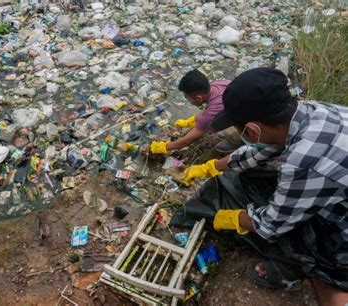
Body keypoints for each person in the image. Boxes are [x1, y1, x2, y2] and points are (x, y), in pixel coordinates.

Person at [180, 67, 348, 306]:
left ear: (251, 130)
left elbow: (270, 226)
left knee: (307, 250)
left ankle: (302, 271)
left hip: (343, 226)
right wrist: (211, 166)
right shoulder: (311, 111)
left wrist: (235, 218)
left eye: (239, 129)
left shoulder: (301, 163)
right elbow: (260, 150)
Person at [149, 69, 240, 155]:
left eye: (187, 98)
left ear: (198, 98)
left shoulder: (211, 114)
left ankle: (237, 141)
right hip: (243, 106)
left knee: (223, 132)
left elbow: (187, 140)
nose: (188, 101)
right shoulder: (216, 84)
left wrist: (164, 147)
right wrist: (191, 121)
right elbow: (209, 109)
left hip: (249, 122)